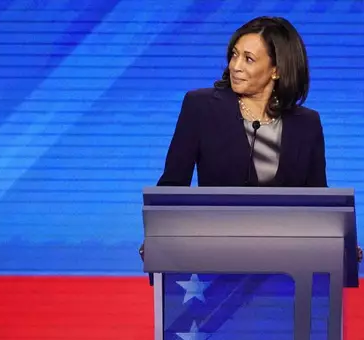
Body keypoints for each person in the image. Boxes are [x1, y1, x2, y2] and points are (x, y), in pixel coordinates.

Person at [141, 16, 362, 260]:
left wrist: (340, 242)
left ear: (276, 70)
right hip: (216, 255)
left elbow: (317, 199)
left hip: (285, 262)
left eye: (248, 59)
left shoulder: (307, 123)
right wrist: (157, 235)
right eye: (234, 55)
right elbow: (173, 185)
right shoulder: (200, 107)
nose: (235, 66)